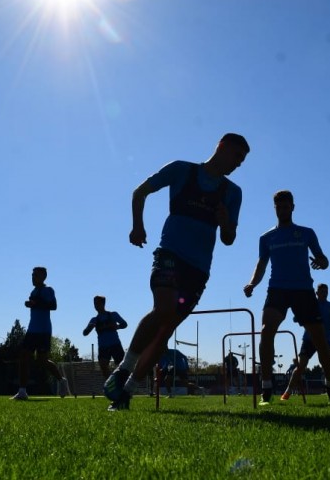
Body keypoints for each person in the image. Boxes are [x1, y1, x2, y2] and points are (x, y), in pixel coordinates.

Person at [104, 133, 250, 411]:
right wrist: (137, 226)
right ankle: (124, 368)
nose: (237, 164)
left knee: (166, 330)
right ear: (220, 147)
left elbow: (229, 239)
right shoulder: (182, 170)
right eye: (236, 156)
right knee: (164, 309)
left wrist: (224, 223)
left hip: (199, 269)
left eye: (242, 162)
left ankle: (127, 392)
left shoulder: (233, 193)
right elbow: (139, 192)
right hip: (170, 255)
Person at [244, 190, 330, 405]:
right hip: (277, 289)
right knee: (267, 331)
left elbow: (323, 260)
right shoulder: (266, 237)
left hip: (303, 290)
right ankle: (267, 385)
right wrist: (252, 283)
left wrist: (321, 262)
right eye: (279, 207)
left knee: (320, 340)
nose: (282, 210)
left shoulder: (306, 233)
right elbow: (261, 264)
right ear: (274, 209)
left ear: (293, 208)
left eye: (286, 206)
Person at [12, 267, 70, 400]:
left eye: (36, 275)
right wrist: (31, 304)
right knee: (24, 357)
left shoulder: (48, 290)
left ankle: (61, 380)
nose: (33, 277)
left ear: (43, 277)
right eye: (32, 275)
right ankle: (22, 391)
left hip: (43, 330)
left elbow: (53, 306)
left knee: (42, 361)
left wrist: (35, 303)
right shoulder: (33, 291)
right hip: (32, 329)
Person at [281, 283, 330, 400]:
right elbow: (296, 319)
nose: (324, 293)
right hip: (309, 339)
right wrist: (301, 313)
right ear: (317, 293)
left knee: (329, 365)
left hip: (325, 340)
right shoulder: (311, 304)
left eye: (326, 291)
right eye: (322, 291)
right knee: (301, 365)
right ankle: (287, 391)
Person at [83, 295, 128, 378]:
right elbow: (85, 333)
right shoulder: (94, 320)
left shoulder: (113, 315)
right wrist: (89, 327)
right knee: (103, 366)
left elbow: (124, 324)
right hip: (103, 347)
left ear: (103, 303)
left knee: (122, 367)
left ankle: (123, 385)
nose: (96, 305)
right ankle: (110, 384)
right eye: (95, 303)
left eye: (98, 303)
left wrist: (117, 326)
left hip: (115, 344)